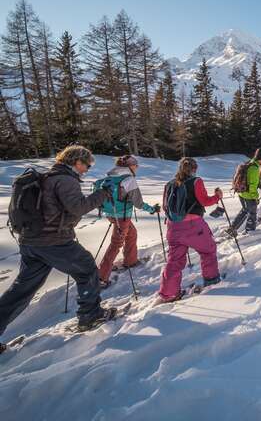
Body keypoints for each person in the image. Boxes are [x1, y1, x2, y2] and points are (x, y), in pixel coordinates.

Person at [0, 145, 114, 341]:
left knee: (22, 289)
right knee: (86, 268)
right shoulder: (65, 180)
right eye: (86, 165)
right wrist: (102, 195)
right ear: (76, 161)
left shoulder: (46, 177)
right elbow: (78, 207)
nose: (87, 169)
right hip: (53, 241)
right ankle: (90, 316)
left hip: (31, 242)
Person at [158, 157, 223, 302]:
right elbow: (204, 201)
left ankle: (168, 294)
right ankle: (212, 280)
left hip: (173, 226)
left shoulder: (169, 184)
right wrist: (217, 196)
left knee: (174, 261)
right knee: (208, 250)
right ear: (194, 168)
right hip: (193, 225)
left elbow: (165, 206)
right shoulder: (196, 181)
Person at [97, 155, 160, 289]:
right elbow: (138, 203)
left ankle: (130, 261)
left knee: (131, 234)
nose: (137, 167)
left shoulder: (110, 177)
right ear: (128, 166)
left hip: (111, 214)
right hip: (122, 216)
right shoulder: (128, 179)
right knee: (116, 244)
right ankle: (101, 278)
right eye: (135, 165)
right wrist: (152, 209)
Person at [227, 148, 261, 236]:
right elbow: (252, 186)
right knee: (252, 213)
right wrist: (255, 197)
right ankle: (250, 231)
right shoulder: (254, 168)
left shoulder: (248, 163)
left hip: (241, 192)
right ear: (260, 159)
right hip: (248, 194)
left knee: (244, 210)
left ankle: (232, 228)